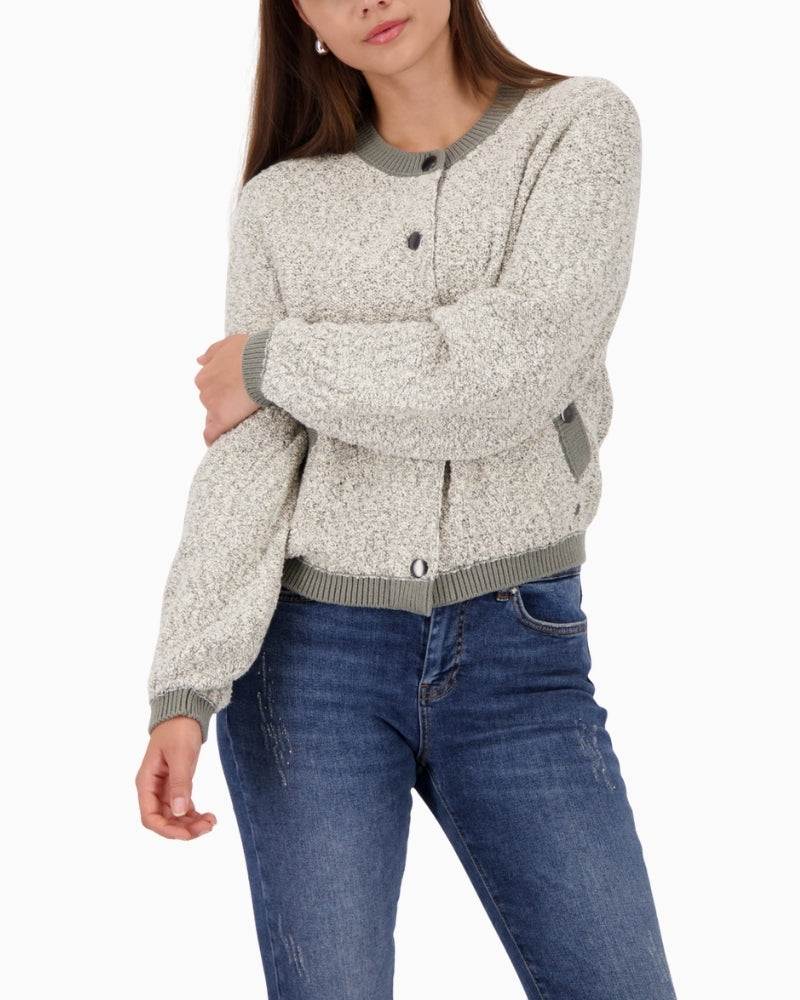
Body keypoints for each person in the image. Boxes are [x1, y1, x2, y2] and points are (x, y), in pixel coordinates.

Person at [136, 1, 677, 997]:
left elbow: (508, 373)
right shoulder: (281, 203)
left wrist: (273, 361)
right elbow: (253, 459)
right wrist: (185, 687)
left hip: (520, 654)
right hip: (308, 667)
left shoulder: (577, 127)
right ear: (298, 17)